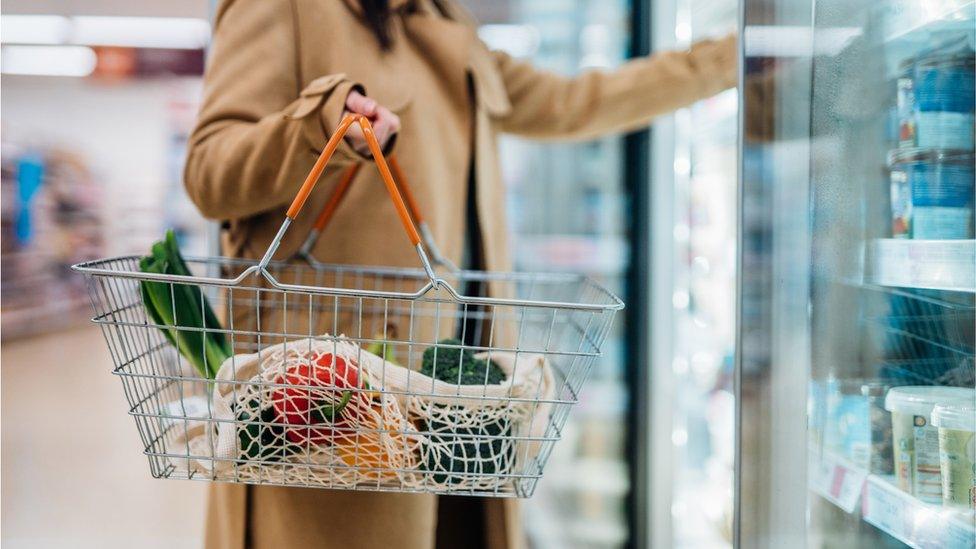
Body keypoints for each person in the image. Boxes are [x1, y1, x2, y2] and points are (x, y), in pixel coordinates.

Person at [184, 1, 736, 548]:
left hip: (459, 398)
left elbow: (573, 103)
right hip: (330, 410)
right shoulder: (283, 8)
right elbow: (209, 173)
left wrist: (731, 58)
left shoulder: (446, 18)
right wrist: (319, 123)